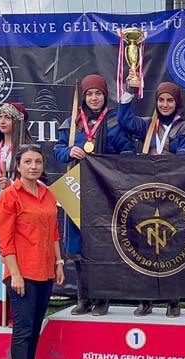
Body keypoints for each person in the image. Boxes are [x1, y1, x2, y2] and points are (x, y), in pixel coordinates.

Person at [54, 74, 134, 317]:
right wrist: (70, 151)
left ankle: (103, 299)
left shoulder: (114, 122)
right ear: (83, 97)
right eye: (89, 94)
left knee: (102, 245)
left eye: (98, 93)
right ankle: (84, 298)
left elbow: (129, 152)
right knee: (78, 246)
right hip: (76, 190)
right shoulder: (72, 122)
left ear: (105, 95)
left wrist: (111, 163)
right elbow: (57, 151)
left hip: (103, 191)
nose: (94, 98)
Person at [0, 145, 65, 359]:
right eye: (28, 162)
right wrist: (15, 274)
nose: (33, 166)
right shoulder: (9, 197)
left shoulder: (47, 194)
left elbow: (54, 232)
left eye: (38, 162)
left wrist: (58, 262)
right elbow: (5, 241)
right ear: (18, 166)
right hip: (21, 274)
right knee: (22, 331)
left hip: (45, 271)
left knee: (34, 329)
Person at [118, 79, 185, 317]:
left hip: (172, 195)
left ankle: (173, 300)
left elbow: (183, 159)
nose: (165, 104)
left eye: (170, 100)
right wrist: (129, 94)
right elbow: (125, 121)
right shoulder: (148, 125)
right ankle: (146, 299)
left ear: (177, 103)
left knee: (173, 245)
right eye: (161, 100)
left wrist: (160, 162)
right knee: (144, 246)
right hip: (147, 195)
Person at [0, 102, 34, 327]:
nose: (2, 121)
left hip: (20, 209)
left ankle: (17, 314)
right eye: (0, 117)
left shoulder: (27, 149)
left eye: (8, 117)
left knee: (17, 259)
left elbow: (38, 180)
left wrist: (14, 184)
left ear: (18, 121)